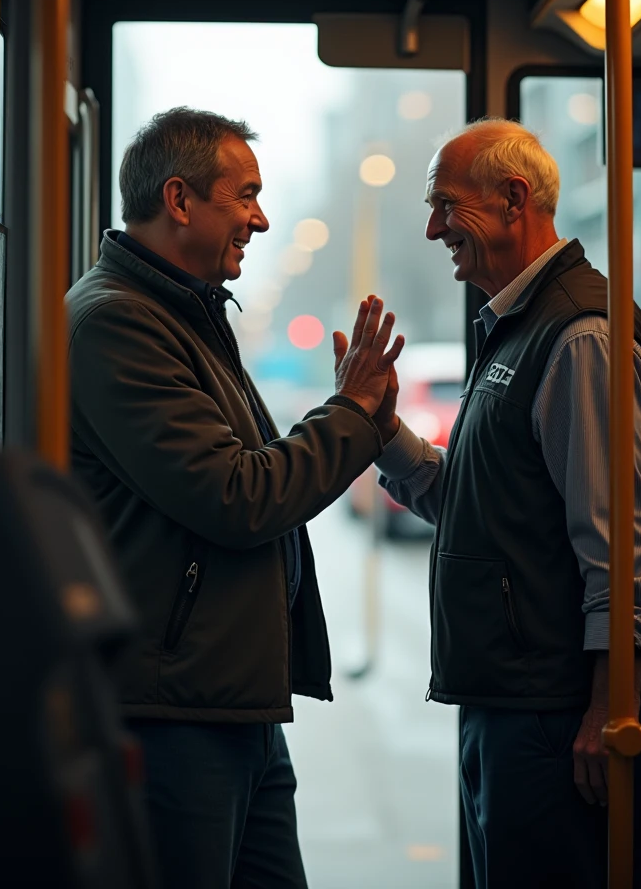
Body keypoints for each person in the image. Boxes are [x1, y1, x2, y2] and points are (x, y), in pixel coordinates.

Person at [65, 107, 404, 889]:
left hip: (222, 706)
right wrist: (350, 414)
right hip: (171, 712)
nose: (262, 217)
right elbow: (240, 496)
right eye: (245, 195)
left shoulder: (184, 313)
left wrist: (348, 420)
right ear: (179, 200)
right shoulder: (118, 324)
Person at [374, 118, 641, 888]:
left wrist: (609, 711)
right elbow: (485, 509)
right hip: (512, 702)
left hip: (557, 715)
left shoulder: (579, 334)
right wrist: (382, 433)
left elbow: (620, 550)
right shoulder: (514, 328)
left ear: (514, 200)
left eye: (446, 205)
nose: (432, 227)